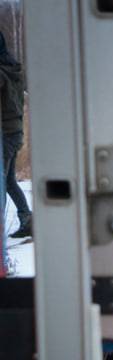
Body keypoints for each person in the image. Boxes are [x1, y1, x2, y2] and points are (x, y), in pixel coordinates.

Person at [0, 31, 29, 239]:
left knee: (2, 182)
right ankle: (27, 219)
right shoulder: (13, 68)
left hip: (5, 133)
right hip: (15, 131)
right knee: (8, 181)